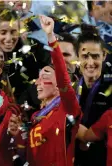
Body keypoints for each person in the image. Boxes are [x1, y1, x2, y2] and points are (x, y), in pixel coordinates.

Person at [8, 15, 81, 166]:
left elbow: (63, 76)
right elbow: (29, 155)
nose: (37, 82)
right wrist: (18, 136)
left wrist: (50, 36)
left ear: (58, 85)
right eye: (38, 78)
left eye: (45, 76)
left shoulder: (67, 106)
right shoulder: (36, 116)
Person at [74, 24, 112, 166]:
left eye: (95, 56)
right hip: (73, 157)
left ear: (104, 55)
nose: (90, 62)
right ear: (77, 56)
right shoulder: (70, 87)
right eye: (85, 56)